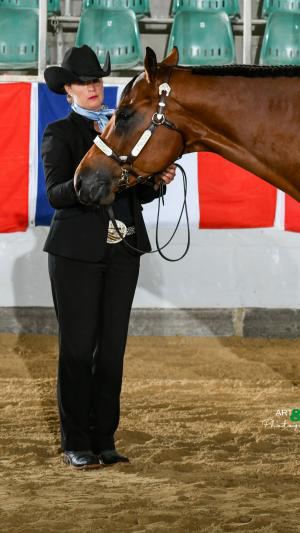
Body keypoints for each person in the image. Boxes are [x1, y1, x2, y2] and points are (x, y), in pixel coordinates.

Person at [42, 45, 176, 469]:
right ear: (69, 90)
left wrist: (158, 180)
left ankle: (105, 439)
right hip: (76, 253)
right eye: (84, 82)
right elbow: (55, 193)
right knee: (78, 349)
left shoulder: (125, 129)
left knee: (112, 350)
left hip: (123, 250)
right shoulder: (61, 134)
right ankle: (75, 441)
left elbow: (137, 191)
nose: (93, 88)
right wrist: (89, 179)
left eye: (97, 80)